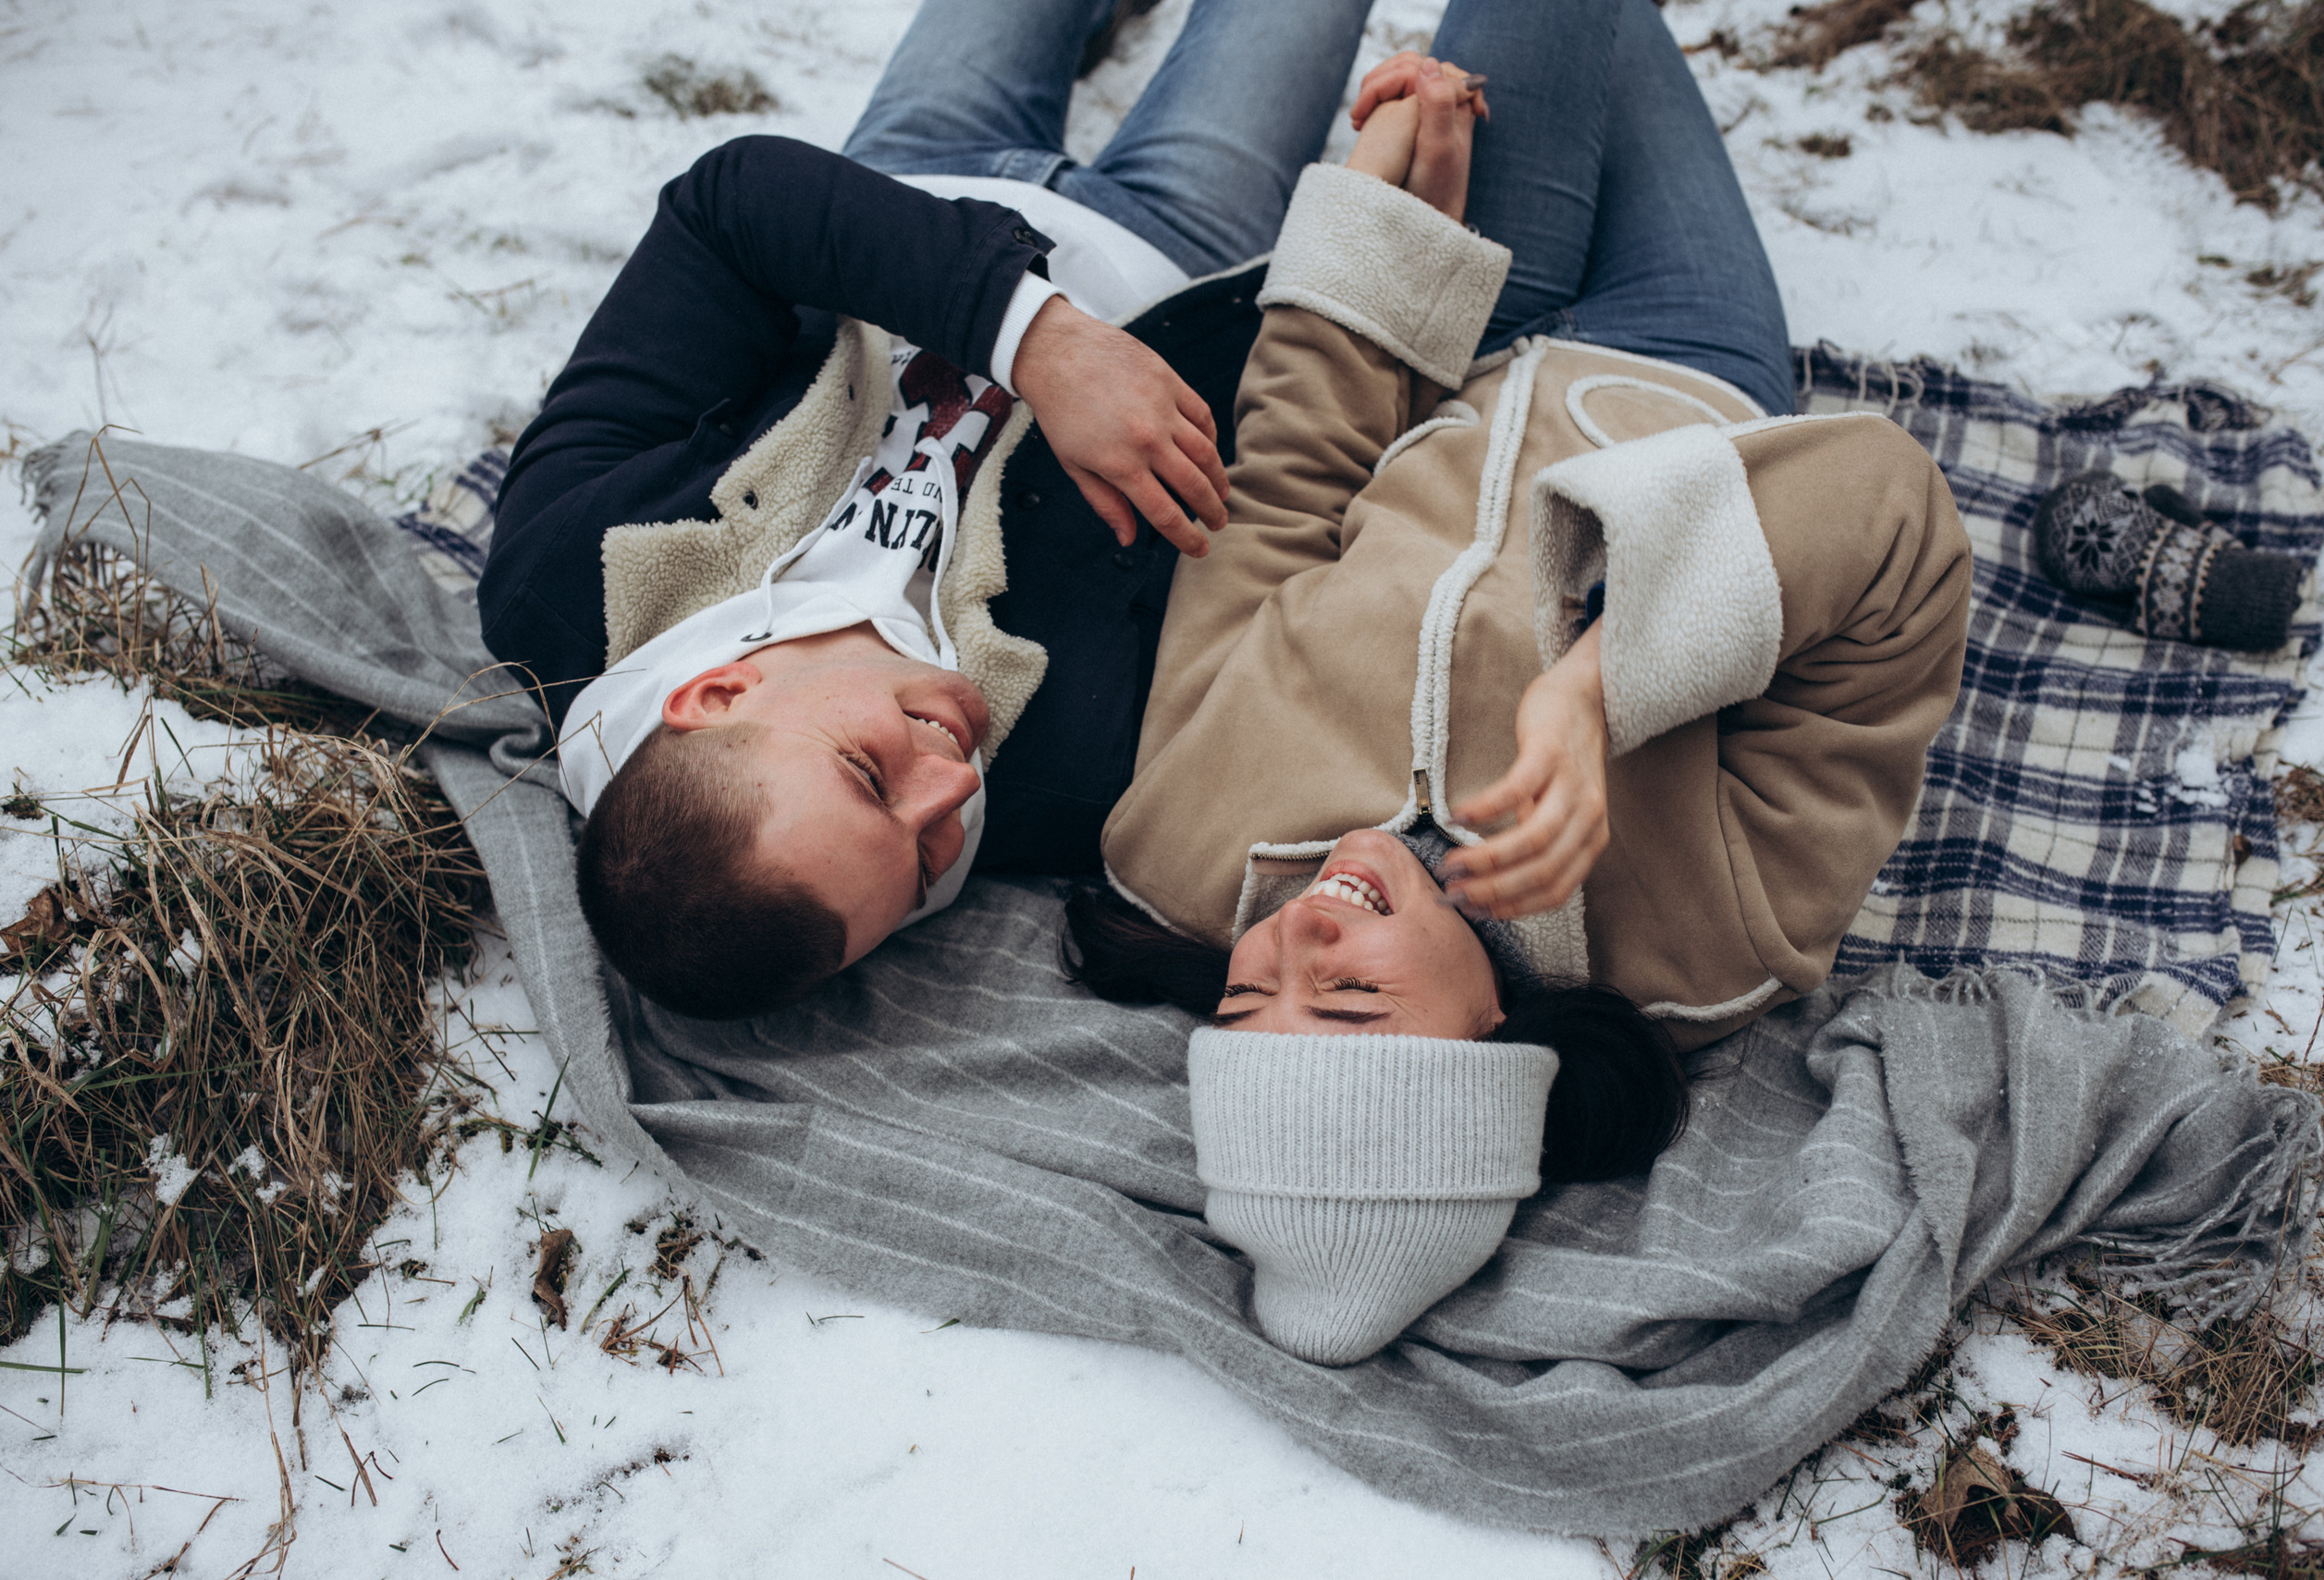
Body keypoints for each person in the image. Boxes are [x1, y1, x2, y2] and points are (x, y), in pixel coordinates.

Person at [1064, 8, 1973, 1360]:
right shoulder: (1715, 945)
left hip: (1454, 326)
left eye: (1249, 1002)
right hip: (1686, 369)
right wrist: (1611, 675)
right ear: (1499, 1037)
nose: (1296, 946)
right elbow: (1892, 520)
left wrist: (1382, 233)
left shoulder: (1177, 849)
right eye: (1356, 999)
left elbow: (1286, 494)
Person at [480, 0, 1378, 1017]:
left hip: (903, 180)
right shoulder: (1068, 778)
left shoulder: (564, 574)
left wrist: (1039, 342)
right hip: (1172, 240)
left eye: (869, 775)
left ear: (715, 695)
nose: (950, 788)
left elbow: (727, 209)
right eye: (923, 867)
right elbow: (1280, 508)